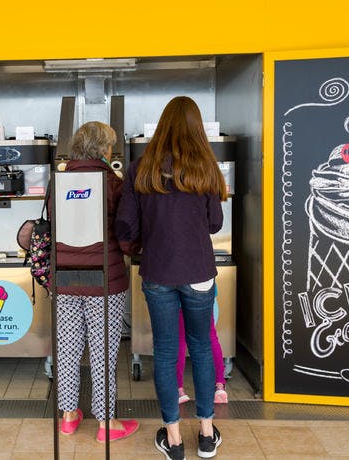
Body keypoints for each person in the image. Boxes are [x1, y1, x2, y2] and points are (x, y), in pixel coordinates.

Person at [116, 96, 227, 459]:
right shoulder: (206, 168)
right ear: (197, 128)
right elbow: (215, 224)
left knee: (165, 351)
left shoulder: (140, 168)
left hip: (159, 271)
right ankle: (207, 435)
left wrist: (138, 244)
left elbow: (127, 225)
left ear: (162, 126)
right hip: (198, 271)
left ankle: (175, 440)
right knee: (201, 347)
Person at [54, 121, 140, 443]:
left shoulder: (59, 181)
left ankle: (68, 416)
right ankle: (107, 424)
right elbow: (126, 229)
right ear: (104, 149)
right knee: (103, 351)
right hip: (105, 280)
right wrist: (134, 250)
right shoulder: (113, 183)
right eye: (110, 146)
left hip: (65, 278)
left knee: (69, 347)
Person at [177, 297, 228, 405]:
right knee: (210, 339)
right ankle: (219, 385)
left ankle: (178, 390)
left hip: (179, 299)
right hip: (205, 297)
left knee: (179, 341)